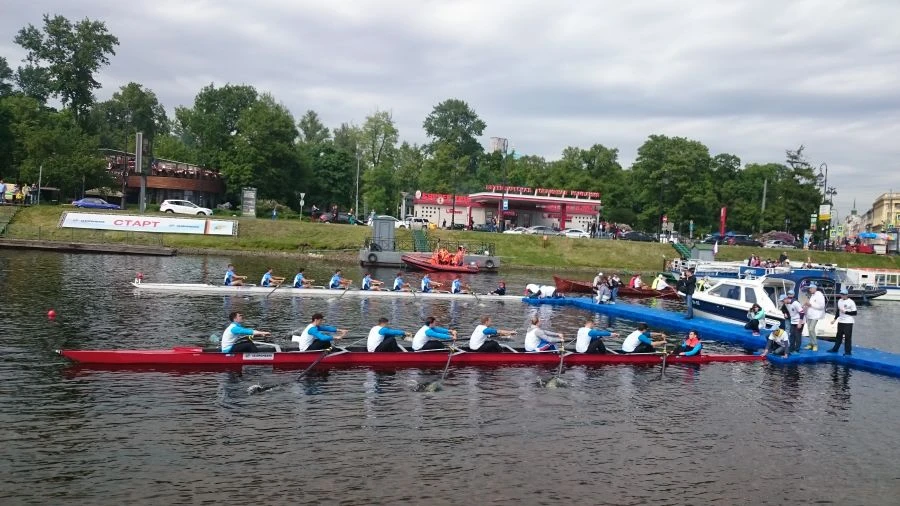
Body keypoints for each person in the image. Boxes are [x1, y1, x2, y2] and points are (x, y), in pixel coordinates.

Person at [828, 288, 857, 355]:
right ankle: (835, 349)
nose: (842, 295)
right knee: (838, 336)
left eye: (843, 294)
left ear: (846, 295)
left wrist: (846, 312)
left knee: (847, 337)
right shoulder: (839, 301)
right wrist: (835, 319)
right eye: (841, 294)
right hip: (841, 321)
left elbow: (855, 313)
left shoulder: (851, 302)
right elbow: (838, 311)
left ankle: (848, 352)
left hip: (848, 322)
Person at [802, 282, 826, 352]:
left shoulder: (819, 295)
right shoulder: (812, 295)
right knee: (809, 329)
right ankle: (811, 344)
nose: (809, 290)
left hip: (816, 316)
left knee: (811, 329)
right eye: (809, 289)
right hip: (810, 315)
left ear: (814, 288)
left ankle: (815, 345)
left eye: (810, 288)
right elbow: (810, 305)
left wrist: (810, 305)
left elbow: (821, 306)